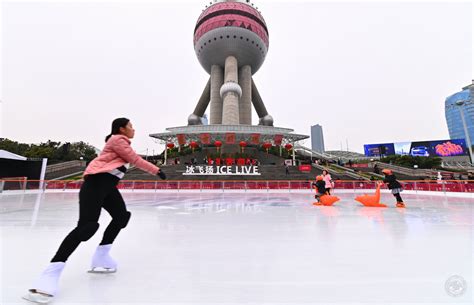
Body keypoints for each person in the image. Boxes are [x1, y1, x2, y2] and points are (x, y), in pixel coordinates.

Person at [24, 118, 167, 304]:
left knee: (121, 217)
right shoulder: (117, 140)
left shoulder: (119, 142)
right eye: (130, 126)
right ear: (121, 129)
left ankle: (101, 255)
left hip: (108, 188)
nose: (133, 129)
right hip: (95, 185)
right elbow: (135, 159)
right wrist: (157, 170)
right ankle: (49, 275)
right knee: (87, 227)